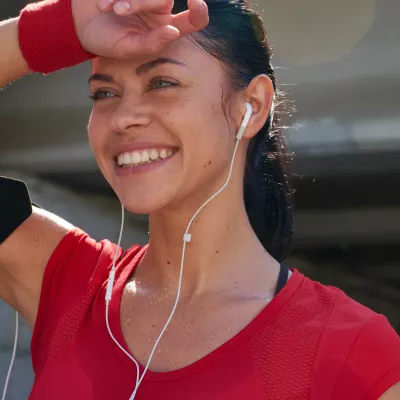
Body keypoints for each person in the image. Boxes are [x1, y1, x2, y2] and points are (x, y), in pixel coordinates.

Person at [0, 0, 399, 399]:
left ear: (253, 105)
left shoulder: (351, 351)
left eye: (161, 83)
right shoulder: (70, 286)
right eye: (105, 92)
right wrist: (58, 28)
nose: (123, 117)